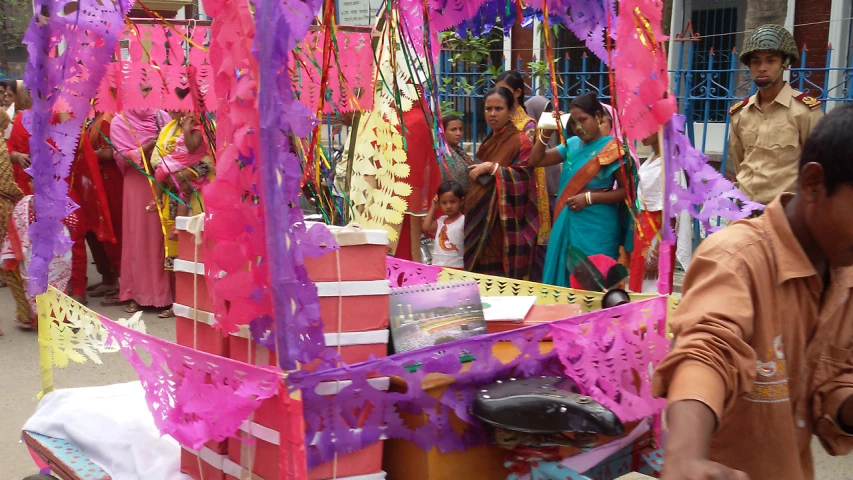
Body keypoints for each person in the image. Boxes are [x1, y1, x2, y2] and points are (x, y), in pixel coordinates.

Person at [654, 105, 853, 480]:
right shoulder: (736, 258)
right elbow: (708, 349)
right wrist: (685, 457)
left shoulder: (845, 272)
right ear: (813, 185)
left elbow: (835, 379)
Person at [531, 93, 633, 288]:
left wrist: (589, 198)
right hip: (568, 221)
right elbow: (537, 161)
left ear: (598, 117)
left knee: (597, 280)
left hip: (598, 226)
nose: (578, 127)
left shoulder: (613, 149)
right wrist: (544, 134)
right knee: (567, 279)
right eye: (574, 122)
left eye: (583, 120)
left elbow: (626, 192)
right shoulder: (572, 144)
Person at [728, 24, 824, 206]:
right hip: (745, 214)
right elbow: (740, 162)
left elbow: (817, 167)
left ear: (785, 64)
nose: (762, 68)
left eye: (770, 61)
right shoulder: (740, 113)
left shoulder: (804, 111)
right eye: (756, 62)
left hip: (786, 214)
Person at [464, 87, 539, 279]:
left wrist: (494, 169)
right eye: (488, 109)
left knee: (499, 283)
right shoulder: (490, 141)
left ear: (510, 111)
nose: (492, 114)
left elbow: (524, 176)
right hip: (479, 222)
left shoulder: (521, 141)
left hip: (503, 226)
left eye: (498, 109)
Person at [110, 108, 174, 315]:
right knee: (139, 237)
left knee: (164, 236)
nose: (145, 96)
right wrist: (150, 145)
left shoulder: (163, 116)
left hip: (163, 180)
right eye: (142, 89)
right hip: (137, 184)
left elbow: (176, 145)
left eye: (149, 89)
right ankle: (138, 294)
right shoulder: (119, 122)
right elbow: (124, 157)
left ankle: (170, 295)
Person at [149, 110, 214, 293]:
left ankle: (202, 297)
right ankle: (179, 297)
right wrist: (170, 175)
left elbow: (211, 159)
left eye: (179, 106)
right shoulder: (167, 129)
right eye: (171, 107)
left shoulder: (208, 127)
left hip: (198, 195)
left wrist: (185, 174)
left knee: (198, 245)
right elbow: (156, 158)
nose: (174, 111)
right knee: (176, 248)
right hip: (172, 194)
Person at [628, 132, 692, 293]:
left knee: (652, 291)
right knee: (639, 287)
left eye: (646, 127)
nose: (641, 132)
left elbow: (671, 213)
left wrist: (657, 254)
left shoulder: (670, 164)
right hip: (643, 232)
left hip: (657, 236)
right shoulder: (652, 160)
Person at [495, 71, 551, 248]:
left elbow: (524, 164)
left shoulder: (527, 124)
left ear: (517, 92)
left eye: (504, 90)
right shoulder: (500, 120)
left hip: (520, 187)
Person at [1, 195, 74, 329]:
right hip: (56, 247)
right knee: (56, 282)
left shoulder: (25, 203)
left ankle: (42, 318)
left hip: (35, 248)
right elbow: (73, 221)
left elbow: (17, 226)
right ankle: (58, 317)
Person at [84, 112, 122, 302]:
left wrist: (86, 155)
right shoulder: (95, 116)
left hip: (110, 182)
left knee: (112, 229)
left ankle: (117, 281)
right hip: (96, 181)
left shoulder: (107, 119)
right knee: (95, 230)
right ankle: (107, 277)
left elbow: (111, 152)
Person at [0, 110, 24, 332]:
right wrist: (23, 197)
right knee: (9, 262)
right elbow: (7, 184)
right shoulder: (0, 147)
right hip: (3, 208)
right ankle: (26, 313)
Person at [421, 180, 465, 268]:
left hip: (456, 267)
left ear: (461, 201)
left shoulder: (463, 220)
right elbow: (425, 227)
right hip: (437, 266)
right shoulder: (441, 220)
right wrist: (433, 208)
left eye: (452, 202)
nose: (448, 206)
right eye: (444, 203)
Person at [440, 115, 476, 191]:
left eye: (461, 129)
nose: (458, 133)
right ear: (443, 132)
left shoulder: (462, 154)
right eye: (453, 130)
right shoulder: (441, 156)